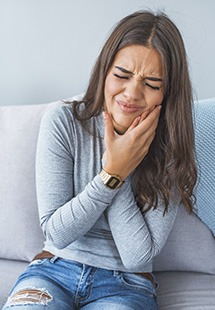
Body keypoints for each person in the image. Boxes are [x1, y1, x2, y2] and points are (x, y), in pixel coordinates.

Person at [3, 9, 197, 310]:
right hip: (53, 271)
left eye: (152, 84)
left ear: (167, 94)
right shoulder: (63, 121)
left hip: (127, 285)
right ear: (104, 71)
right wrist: (112, 173)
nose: (132, 93)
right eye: (122, 75)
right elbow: (57, 232)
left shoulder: (170, 146)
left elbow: (137, 256)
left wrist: (121, 164)